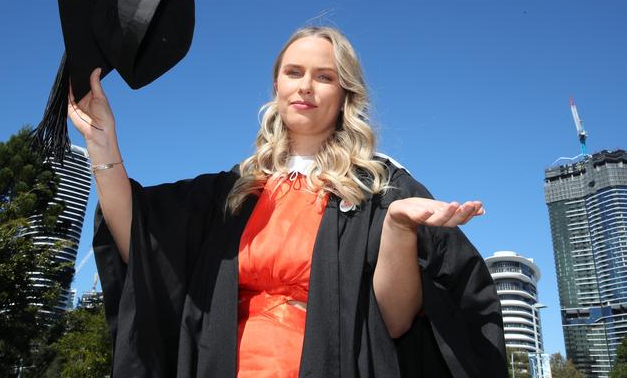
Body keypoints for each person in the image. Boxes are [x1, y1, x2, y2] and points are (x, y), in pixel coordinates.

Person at [70, 26, 506, 377]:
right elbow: (140, 241)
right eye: (294, 72)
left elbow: (394, 322)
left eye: (325, 76)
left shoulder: (381, 188)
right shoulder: (234, 190)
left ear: (345, 94)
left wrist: (399, 228)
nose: (306, 87)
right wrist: (102, 146)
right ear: (276, 86)